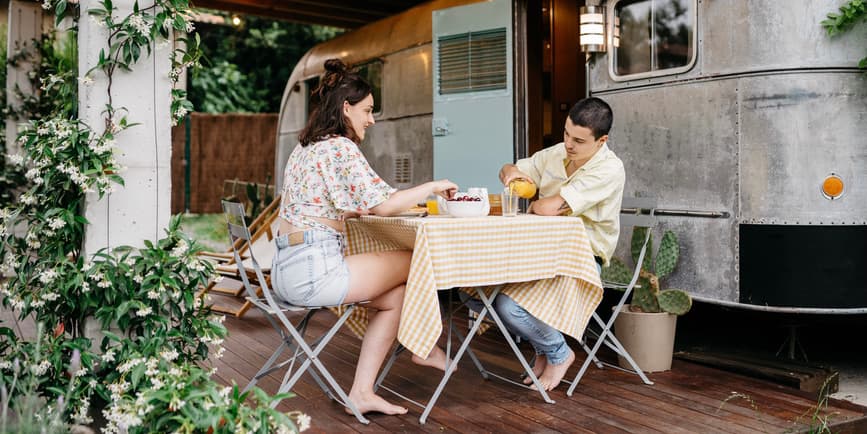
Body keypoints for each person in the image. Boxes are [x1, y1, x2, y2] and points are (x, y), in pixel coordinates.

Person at [272, 58, 458, 416]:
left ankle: (362, 392)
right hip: (313, 271)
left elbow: (328, 202)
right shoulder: (340, 147)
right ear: (346, 108)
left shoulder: (305, 148)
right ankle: (425, 343)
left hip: (285, 269)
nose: (371, 119)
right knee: (416, 257)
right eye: (368, 110)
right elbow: (383, 206)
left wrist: (355, 209)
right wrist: (433, 186)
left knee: (398, 295)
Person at [495, 97, 625, 391]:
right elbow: (508, 169)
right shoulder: (556, 153)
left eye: (578, 140)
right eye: (566, 133)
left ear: (601, 140)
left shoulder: (609, 169)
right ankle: (543, 350)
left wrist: (534, 204)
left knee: (509, 304)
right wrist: (512, 174)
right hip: (544, 251)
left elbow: (551, 207)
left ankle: (558, 353)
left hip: (582, 258)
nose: (568, 144)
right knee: (481, 291)